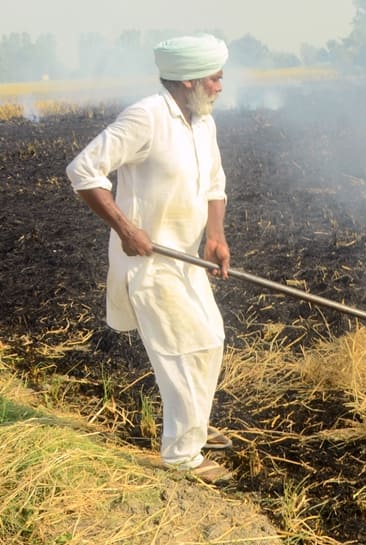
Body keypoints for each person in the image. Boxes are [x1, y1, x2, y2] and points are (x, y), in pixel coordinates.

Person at [66, 33, 235, 484]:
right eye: (215, 78)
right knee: (183, 350)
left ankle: (194, 425)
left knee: (211, 338)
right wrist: (126, 228)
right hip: (148, 261)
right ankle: (183, 456)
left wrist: (214, 236)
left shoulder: (202, 121)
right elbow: (83, 170)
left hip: (186, 260)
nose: (220, 86)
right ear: (188, 80)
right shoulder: (146, 117)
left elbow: (215, 183)